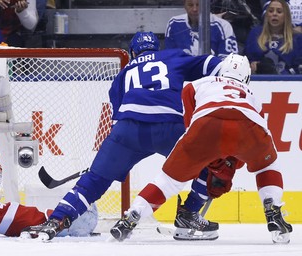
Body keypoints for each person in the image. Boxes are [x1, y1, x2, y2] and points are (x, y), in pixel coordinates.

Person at [20, 31, 223, 242]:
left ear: (132, 52)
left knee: (94, 181)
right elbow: (214, 65)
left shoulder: (121, 76)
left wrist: (110, 164)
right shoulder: (172, 56)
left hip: (128, 131)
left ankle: (57, 219)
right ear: (157, 48)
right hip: (169, 127)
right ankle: (189, 213)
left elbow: (116, 121)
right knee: (213, 165)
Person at [112, 53, 293, 243]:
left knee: (168, 181)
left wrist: (206, 151)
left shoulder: (200, 83)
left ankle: (134, 214)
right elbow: (251, 139)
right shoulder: (251, 95)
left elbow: (189, 116)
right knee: (267, 167)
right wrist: (228, 162)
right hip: (248, 125)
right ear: (246, 77)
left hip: (206, 124)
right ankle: (272, 207)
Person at [165, 0, 238, 59]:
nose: (194, 9)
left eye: (198, 5)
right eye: (190, 5)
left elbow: (228, 60)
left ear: (206, 5)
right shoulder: (174, 23)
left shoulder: (223, 26)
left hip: (213, 75)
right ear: (184, 6)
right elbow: (171, 59)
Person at [245, 0, 302, 75]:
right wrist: (251, 66)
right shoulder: (255, 34)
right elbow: (245, 61)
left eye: (279, 12)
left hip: (287, 82)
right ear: (266, 14)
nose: (274, 14)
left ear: (286, 16)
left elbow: (298, 68)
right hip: (257, 80)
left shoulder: (297, 39)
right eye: (271, 11)